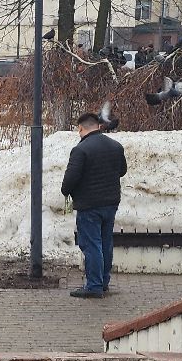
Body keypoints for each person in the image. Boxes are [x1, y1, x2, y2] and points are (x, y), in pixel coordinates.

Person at [60, 108, 125, 299]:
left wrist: (66, 192)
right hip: (111, 203)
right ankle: (103, 282)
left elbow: (70, 179)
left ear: (81, 129)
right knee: (106, 242)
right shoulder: (116, 146)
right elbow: (122, 170)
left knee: (91, 245)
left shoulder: (81, 150)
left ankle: (94, 286)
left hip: (89, 205)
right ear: (98, 126)